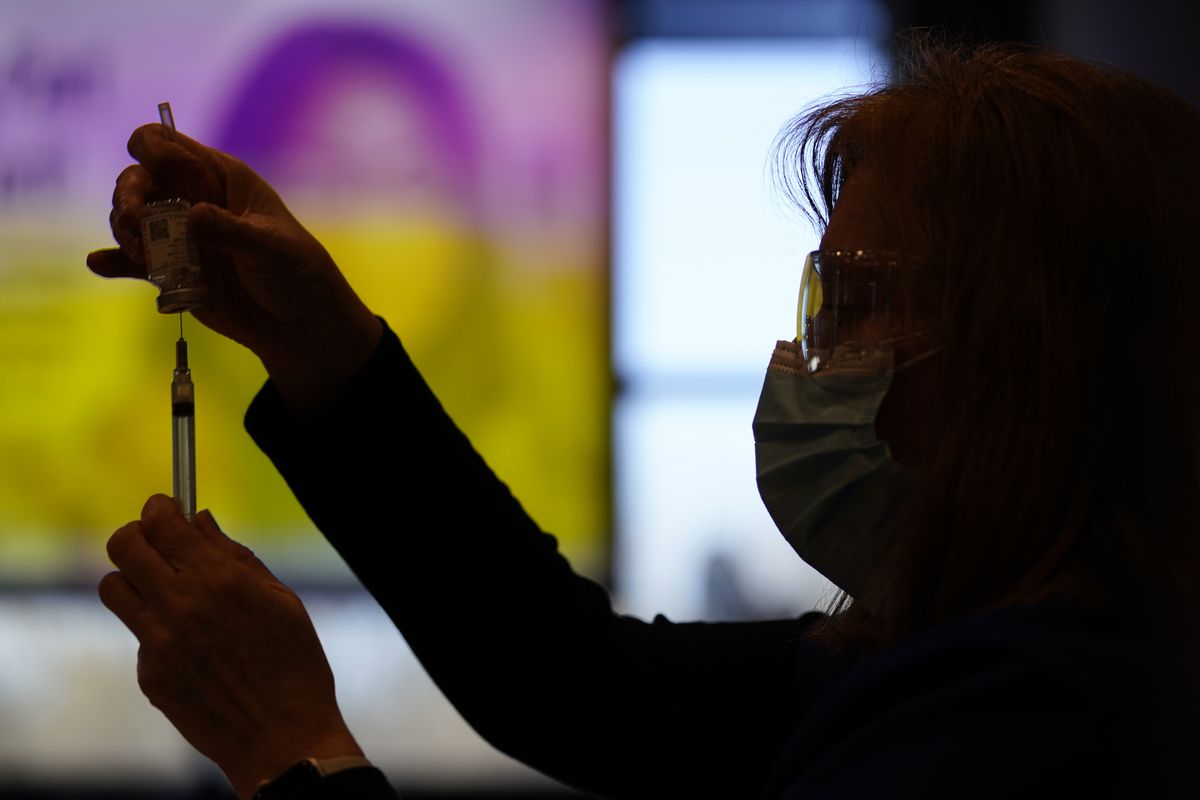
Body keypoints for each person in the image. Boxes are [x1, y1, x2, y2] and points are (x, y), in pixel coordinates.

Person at [88, 37, 1200, 799]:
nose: (810, 361)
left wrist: (295, 755)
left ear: (1027, 362)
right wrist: (321, 343)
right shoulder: (972, 657)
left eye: (858, 303)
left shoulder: (1040, 728)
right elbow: (585, 686)